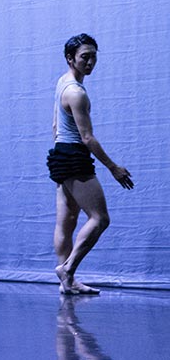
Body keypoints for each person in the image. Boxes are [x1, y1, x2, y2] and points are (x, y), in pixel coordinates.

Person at [48, 33, 133, 295]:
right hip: (73, 156)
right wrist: (113, 168)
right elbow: (87, 138)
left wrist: (61, 156)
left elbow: (55, 125)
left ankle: (67, 283)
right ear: (70, 58)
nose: (90, 62)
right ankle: (67, 269)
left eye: (94, 57)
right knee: (100, 218)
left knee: (67, 220)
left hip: (61, 154)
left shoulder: (63, 82)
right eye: (85, 57)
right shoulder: (76, 93)